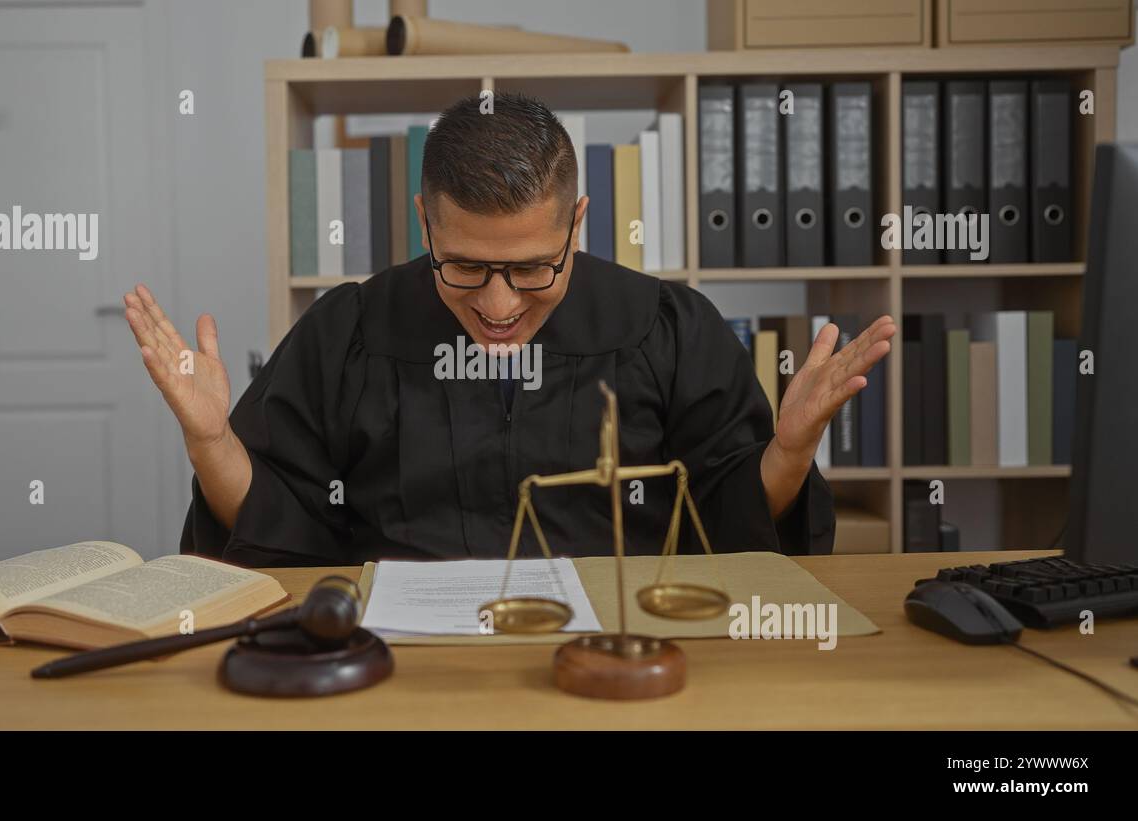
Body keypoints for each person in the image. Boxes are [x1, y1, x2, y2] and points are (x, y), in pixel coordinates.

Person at [124, 93, 895, 568]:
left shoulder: (666, 328)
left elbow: (734, 529)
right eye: (462, 266)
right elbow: (281, 531)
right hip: (398, 673)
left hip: (617, 666)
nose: (498, 307)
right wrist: (211, 444)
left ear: (578, 225)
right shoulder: (352, 330)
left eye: (532, 269)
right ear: (425, 220)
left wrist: (788, 454)